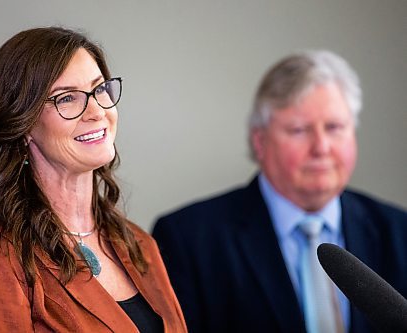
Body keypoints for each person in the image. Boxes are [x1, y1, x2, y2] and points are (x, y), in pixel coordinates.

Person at [0, 26, 187, 333]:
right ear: (23, 124)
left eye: (100, 89)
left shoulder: (139, 244)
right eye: (67, 98)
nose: (97, 111)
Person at [152, 50, 407, 333]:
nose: (321, 147)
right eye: (299, 130)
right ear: (260, 142)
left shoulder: (399, 231)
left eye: (334, 127)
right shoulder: (188, 239)